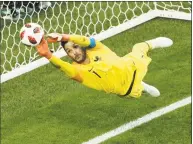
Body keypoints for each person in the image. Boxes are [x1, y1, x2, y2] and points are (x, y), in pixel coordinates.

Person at [35, 33, 173, 98]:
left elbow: (85, 40)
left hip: (132, 66)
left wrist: (64, 37)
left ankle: (155, 42)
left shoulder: (96, 48)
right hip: (126, 90)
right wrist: (48, 55)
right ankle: (143, 86)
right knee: (136, 89)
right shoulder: (78, 70)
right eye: (69, 51)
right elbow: (63, 67)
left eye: (75, 47)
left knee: (139, 47)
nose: (74, 53)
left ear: (81, 46)